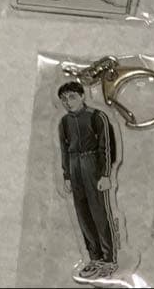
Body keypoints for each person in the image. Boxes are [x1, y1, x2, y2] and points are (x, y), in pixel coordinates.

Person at [56, 81, 119, 280]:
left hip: (93, 165)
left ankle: (109, 260)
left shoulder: (97, 116)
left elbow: (106, 147)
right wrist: (67, 176)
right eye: (64, 99)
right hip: (75, 167)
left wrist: (105, 174)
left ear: (82, 96)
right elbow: (64, 150)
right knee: (83, 214)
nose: (68, 102)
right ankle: (95, 258)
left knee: (99, 212)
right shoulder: (64, 122)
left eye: (72, 97)